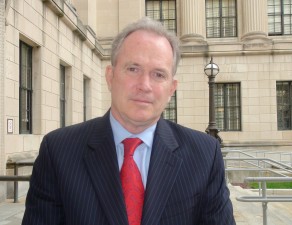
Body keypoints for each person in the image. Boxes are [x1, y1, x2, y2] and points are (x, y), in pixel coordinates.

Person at [22, 17, 236, 225]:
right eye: (133, 69)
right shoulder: (58, 151)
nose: (144, 85)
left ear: (172, 88)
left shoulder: (204, 155)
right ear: (110, 77)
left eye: (159, 74)